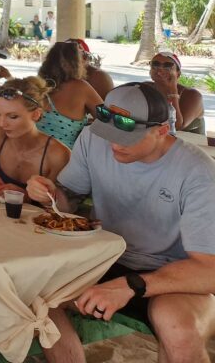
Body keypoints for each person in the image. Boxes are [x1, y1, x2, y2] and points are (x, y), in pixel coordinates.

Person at [26, 82, 215, 363]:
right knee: (35, 291)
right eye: (108, 133)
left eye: (126, 138)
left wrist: (130, 285)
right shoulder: (92, 138)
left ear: (162, 130)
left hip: (172, 275)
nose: (113, 144)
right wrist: (49, 195)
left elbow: (209, 270)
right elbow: (68, 203)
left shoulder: (197, 172)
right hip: (105, 258)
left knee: (177, 325)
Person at [36, 41, 103, 148]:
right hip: (64, 154)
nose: (86, 60)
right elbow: (106, 119)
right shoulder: (81, 87)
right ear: (76, 63)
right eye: (84, 56)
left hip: (32, 151)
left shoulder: (37, 85)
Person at [149, 51, 205, 135]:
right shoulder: (145, 88)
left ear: (178, 74)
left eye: (167, 66)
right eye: (155, 65)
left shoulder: (192, 95)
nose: (160, 70)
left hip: (188, 142)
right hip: (156, 139)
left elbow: (176, 126)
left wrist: (173, 91)